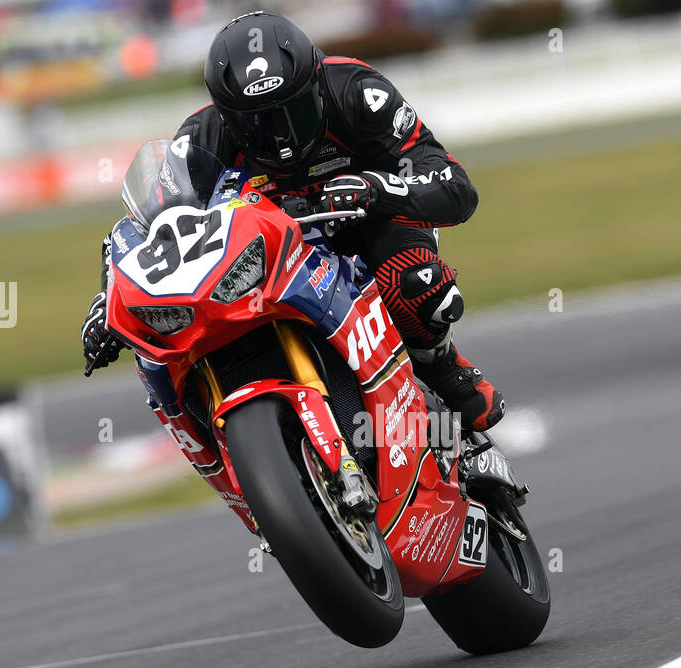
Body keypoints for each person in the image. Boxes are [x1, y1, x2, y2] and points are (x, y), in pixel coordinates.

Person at [82, 11, 505, 431]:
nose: (281, 138)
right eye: (258, 124)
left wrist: (377, 188)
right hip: (269, 256)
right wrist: (108, 301)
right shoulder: (200, 139)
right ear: (228, 115)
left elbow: (453, 183)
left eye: (293, 111)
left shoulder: (358, 91)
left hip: (368, 227)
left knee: (415, 283)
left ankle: (439, 363)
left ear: (316, 85)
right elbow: (146, 229)